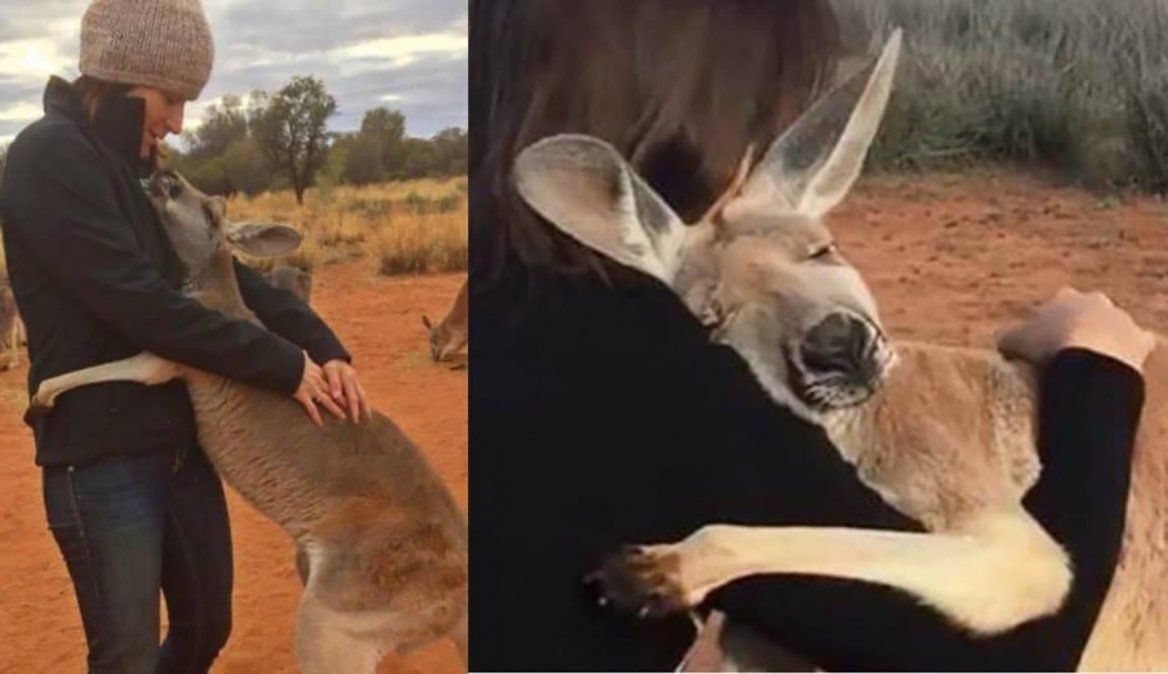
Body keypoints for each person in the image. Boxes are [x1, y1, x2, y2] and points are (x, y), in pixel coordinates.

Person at [468, 0, 1151, 670]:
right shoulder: (665, 372)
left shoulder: (501, 296)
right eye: (756, 109)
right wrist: (1101, 371)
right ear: (699, 115)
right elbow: (1016, 649)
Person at [0, 0, 368, 671]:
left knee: (206, 625)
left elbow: (223, 275)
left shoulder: (136, 169)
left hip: (178, 447)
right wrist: (284, 367)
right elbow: (139, 306)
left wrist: (324, 348)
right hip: (101, 457)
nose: (178, 121)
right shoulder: (45, 160)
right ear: (117, 77)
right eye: (170, 98)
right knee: (127, 655)